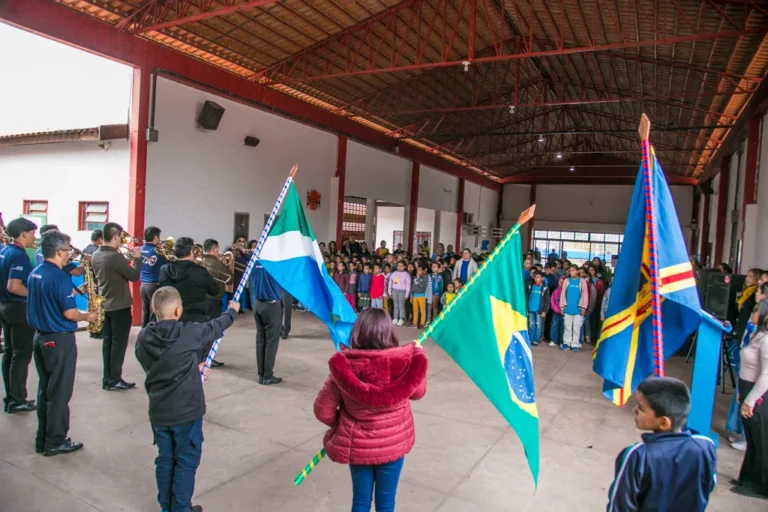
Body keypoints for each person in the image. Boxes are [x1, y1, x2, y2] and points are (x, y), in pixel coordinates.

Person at [136, 286, 239, 512]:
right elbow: (216, 327)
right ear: (178, 310)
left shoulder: (143, 337)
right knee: (185, 460)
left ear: (153, 309)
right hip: (186, 412)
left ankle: (167, 507)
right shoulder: (188, 333)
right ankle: (181, 508)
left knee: (165, 459)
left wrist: (192, 369)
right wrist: (232, 311)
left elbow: (158, 366)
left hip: (159, 411)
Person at [313, 309, 427, 512]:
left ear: (358, 333)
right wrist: (417, 355)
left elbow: (322, 411)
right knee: (386, 502)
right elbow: (418, 393)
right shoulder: (406, 362)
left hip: (358, 445)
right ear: (389, 333)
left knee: (360, 501)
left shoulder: (344, 367)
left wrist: (342, 423)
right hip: (393, 445)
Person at [27, 230, 98, 456]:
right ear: (58, 252)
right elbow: (69, 313)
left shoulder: (36, 273)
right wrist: (89, 316)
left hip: (40, 337)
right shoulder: (59, 277)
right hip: (59, 339)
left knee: (46, 389)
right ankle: (56, 441)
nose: (69, 254)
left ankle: (43, 439)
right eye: (67, 250)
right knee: (60, 392)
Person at [607, 376, 716, 511]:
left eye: (641, 408)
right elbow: (708, 485)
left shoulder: (637, 455)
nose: (634, 410)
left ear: (664, 422)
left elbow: (620, 506)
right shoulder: (705, 446)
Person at [91, 222, 142, 391]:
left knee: (108, 343)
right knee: (119, 345)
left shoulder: (96, 254)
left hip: (105, 304)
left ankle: (108, 378)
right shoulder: (115, 256)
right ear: (114, 237)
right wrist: (136, 258)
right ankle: (114, 379)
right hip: (119, 306)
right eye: (120, 237)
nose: (121, 240)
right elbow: (134, 276)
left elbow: (114, 271)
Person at [158, 238, 221, 363]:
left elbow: (163, 291)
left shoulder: (164, 269)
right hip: (195, 319)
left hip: (171, 318)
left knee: (173, 353)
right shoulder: (199, 271)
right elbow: (215, 291)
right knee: (193, 356)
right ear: (191, 252)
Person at [0, 217, 38, 413]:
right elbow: (14, 286)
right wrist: (36, 295)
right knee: (21, 356)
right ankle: (17, 400)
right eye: (32, 233)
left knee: (10, 353)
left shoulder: (4, 251)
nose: (34, 237)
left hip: (4, 307)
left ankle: (11, 397)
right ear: (23, 234)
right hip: (17, 309)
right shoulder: (19, 255)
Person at [731, 299, 768, 499]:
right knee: (752, 441)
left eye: (756, 310)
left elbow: (766, 375)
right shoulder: (757, 335)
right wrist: (741, 392)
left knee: (760, 442)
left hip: (758, 396)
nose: (752, 313)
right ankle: (747, 479)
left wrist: (750, 400)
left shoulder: (766, 340)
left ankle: (760, 486)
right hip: (747, 389)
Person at [250, 260, 283, 385]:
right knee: (271, 341)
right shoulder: (276, 263)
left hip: (258, 304)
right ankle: (267, 375)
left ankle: (261, 374)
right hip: (271, 305)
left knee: (260, 340)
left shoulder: (255, 262)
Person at [200, 238, 232, 360]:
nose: (219, 251)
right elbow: (230, 279)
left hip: (201, 299)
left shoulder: (200, 261)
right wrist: (225, 265)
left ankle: (202, 356)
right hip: (213, 300)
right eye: (218, 249)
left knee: (203, 327)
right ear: (214, 249)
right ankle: (208, 358)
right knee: (213, 328)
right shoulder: (216, 263)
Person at [139, 226, 169, 328]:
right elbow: (167, 265)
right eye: (159, 237)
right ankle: (151, 333)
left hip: (143, 285)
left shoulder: (140, 249)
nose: (159, 239)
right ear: (155, 237)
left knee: (145, 311)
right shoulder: (158, 251)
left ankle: (143, 332)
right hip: (154, 285)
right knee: (154, 313)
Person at [560, 265, 588, 352]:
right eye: (570, 271)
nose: (571, 272)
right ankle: (566, 343)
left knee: (576, 328)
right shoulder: (567, 281)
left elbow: (585, 294)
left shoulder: (582, 281)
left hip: (578, 308)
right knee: (567, 327)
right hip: (568, 307)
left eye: (573, 270)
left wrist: (583, 307)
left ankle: (575, 344)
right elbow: (563, 294)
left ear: (577, 271)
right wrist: (562, 306)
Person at [527, 272, 550, 347]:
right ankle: (531, 339)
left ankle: (536, 339)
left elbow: (547, 300)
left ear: (542, 278)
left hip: (539, 310)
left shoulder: (544, 288)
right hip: (531, 308)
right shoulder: (531, 286)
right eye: (535, 277)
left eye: (538, 277)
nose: (536, 279)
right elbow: (528, 297)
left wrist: (545, 311)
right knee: (531, 325)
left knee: (538, 325)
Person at [389, 261, 411, 326]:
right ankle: (395, 318)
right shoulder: (394, 273)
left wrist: (407, 294)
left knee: (401, 306)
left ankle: (401, 319)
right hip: (394, 291)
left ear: (404, 267)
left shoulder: (406, 274)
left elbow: (408, 285)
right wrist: (390, 292)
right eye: (398, 266)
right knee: (395, 305)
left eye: (401, 266)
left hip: (402, 291)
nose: (399, 267)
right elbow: (390, 283)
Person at [548, 276, 565, 347]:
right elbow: (552, 300)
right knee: (554, 326)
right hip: (556, 311)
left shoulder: (567, 291)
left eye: (563, 282)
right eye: (560, 282)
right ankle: (553, 340)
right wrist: (554, 307)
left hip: (564, 312)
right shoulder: (556, 291)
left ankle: (561, 341)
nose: (561, 283)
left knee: (563, 327)